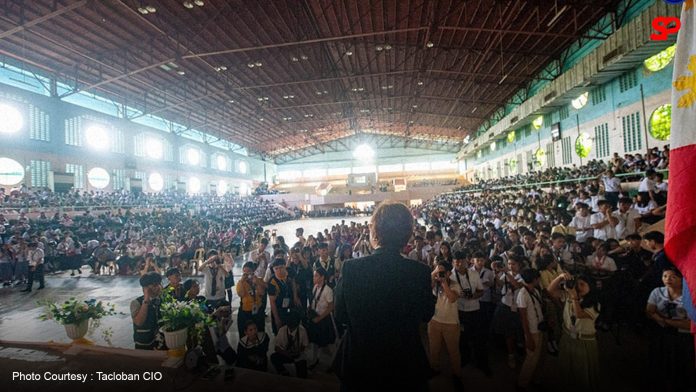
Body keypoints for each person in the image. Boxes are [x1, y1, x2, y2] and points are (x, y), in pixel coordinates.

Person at [333, 201, 435, 391]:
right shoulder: (420, 272)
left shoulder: (352, 269)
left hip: (361, 366)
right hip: (406, 366)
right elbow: (427, 314)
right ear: (407, 234)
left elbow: (340, 315)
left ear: (375, 232)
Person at [547, 272, 601, 392]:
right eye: (577, 284)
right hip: (567, 337)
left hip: (584, 341)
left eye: (582, 285)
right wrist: (560, 277)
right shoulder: (569, 295)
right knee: (567, 368)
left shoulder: (594, 304)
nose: (578, 287)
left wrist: (574, 297)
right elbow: (550, 291)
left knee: (582, 371)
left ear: (591, 287)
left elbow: (579, 314)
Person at [645, 267, 696, 390]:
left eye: (673, 277)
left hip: (683, 337)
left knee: (681, 365)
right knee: (660, 362)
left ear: (682, 279)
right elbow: (649, 311)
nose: (668, 279)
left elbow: (690, 324)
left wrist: (664, 320)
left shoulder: (690, 295)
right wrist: (667, 321)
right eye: (665, 276)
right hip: (662, 334)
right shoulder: (657, 292)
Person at [452, 251, 488, 376]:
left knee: (478, 337)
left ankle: (481, 362)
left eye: (461, 261)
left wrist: (473, 296)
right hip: (459, 311)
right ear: (453, 262)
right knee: (462, 338)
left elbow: (481, 291)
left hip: (474, 309)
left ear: (466, 262)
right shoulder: (450, 275)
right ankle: (465, 359)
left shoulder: (473, 274)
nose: (459, 263)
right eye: (456, 261)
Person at [428, 260, 463, 386]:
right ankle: (434, 368)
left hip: (451, 323)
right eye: (438, 271)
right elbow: (424, 284)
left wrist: (444, 283)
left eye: (442, 272)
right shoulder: (434, 283)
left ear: (449, 273)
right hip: (434, 321)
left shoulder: (455, 284)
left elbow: (452, 298)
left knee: (453, 351)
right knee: (434, 349)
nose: (439, 274)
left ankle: (457, 375)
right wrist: (435, 273)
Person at [491, 255, 524, 369]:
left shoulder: (523, 275)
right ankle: (511, 355)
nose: (511, 266)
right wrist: (495, 272)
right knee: (508, 333)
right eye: (509, 264)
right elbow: (500, 285)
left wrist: (506, 272)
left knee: (518, 332)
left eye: (513, 264)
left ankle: (519, 351)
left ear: (519, 265)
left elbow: (516, 284)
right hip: (505, 305)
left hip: (518, 308)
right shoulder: (506, 273)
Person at [516, 268, 546, 390]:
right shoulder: (523, 294)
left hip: (539, 326)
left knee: (539, 357)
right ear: (534, 279)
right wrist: (528, 337)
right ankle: (522, 384)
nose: (540, 280)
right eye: (538, 278)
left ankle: (535, 379)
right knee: (531, 358)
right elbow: (523, 318)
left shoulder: (535, 291)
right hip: (532, 330)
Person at [305, 268, 335, 369]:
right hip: (315, 317)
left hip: (324, 319)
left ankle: (334, 362)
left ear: (322, 277)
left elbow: (331, 307)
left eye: (316, 275)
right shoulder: (315, 287)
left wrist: (320, 318)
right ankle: (315, 359)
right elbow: (314, 301)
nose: (314, 277)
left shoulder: (328, 290)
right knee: (315, 341)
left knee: (327, 343)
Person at [270, 311, 309, 378]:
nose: (292, 329)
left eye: (294, 328)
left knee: (303, 376)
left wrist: (298, 351)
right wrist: (286, 353)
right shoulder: (282, 330)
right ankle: (283, 371)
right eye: (290, 327)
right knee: (273, 357)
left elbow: (304, 345)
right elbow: (276, 347)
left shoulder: (302, 330)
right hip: (286, 354)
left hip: (298, 355)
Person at [130, 272, 163, 350]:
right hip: (144, 343)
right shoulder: (136, 303)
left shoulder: (161, 299)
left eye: (159, 284)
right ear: (145, 288)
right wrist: (146, 300)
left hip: (161, 340)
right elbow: (139, 322)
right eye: (155, 285)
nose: (159, 287)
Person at [236, 262, 266, 336]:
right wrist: (242, 281)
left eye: (248, 271)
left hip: (258, 310)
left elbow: (262, 293)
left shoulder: (259, 280)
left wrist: (256, 283)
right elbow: (241, 294)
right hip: (245, 311)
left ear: (253, 271)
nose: (246, 274)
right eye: (244, 272)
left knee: (259, 330)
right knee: (245, 332)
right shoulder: (241, 282)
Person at [268, 258, 293, 335]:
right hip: (278, 310)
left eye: (281, 267)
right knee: (280, 333)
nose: (279, 270)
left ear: (285, 266)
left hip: (289, 307)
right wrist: (277, 318)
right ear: (273, 269)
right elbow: (272, 302)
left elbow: (294, 283)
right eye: (276, 268)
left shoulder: (288, 275)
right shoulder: (272, 282)